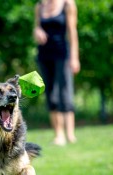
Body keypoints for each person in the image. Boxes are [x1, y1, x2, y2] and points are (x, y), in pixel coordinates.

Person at [33, 0, 80, 146]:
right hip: (44, 56)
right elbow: (36, 28)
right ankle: (58, 135)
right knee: (51, 94)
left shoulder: (68, 4)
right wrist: (37, 31)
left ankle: (70, 134)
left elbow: (72, 31)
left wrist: (74, 57)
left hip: (63, 55)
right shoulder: (39, 6)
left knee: (65, 93)